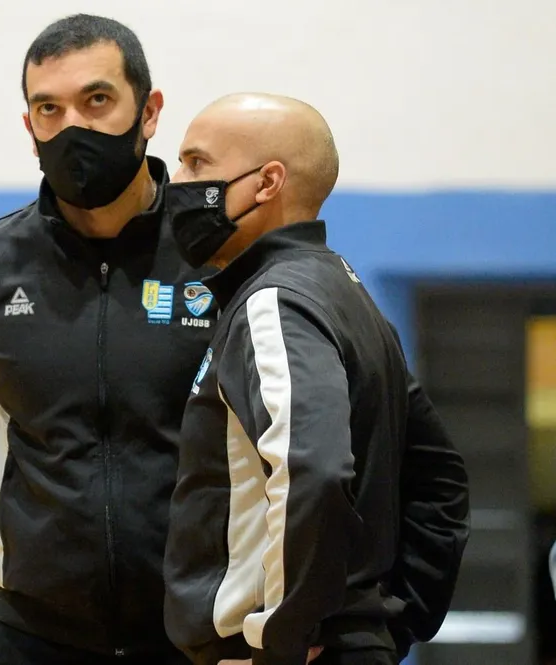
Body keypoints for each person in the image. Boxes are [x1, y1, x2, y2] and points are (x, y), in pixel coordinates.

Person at [0, 14, 218, 665]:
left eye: (97, 100)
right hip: (33, 636)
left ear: (149, 111)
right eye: (49, 109)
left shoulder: (219, 256)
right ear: (29, 129)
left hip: (193, 635)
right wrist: (38, 528)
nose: (73, 128)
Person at [160, 93, 470, 665]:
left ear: (267, 182)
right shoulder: (346, 294)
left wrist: (282, 641)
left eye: (196, 163)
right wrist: (388, 627)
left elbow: (313, 467)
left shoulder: (274, 303)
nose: (175, 181)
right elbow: (441, 480)